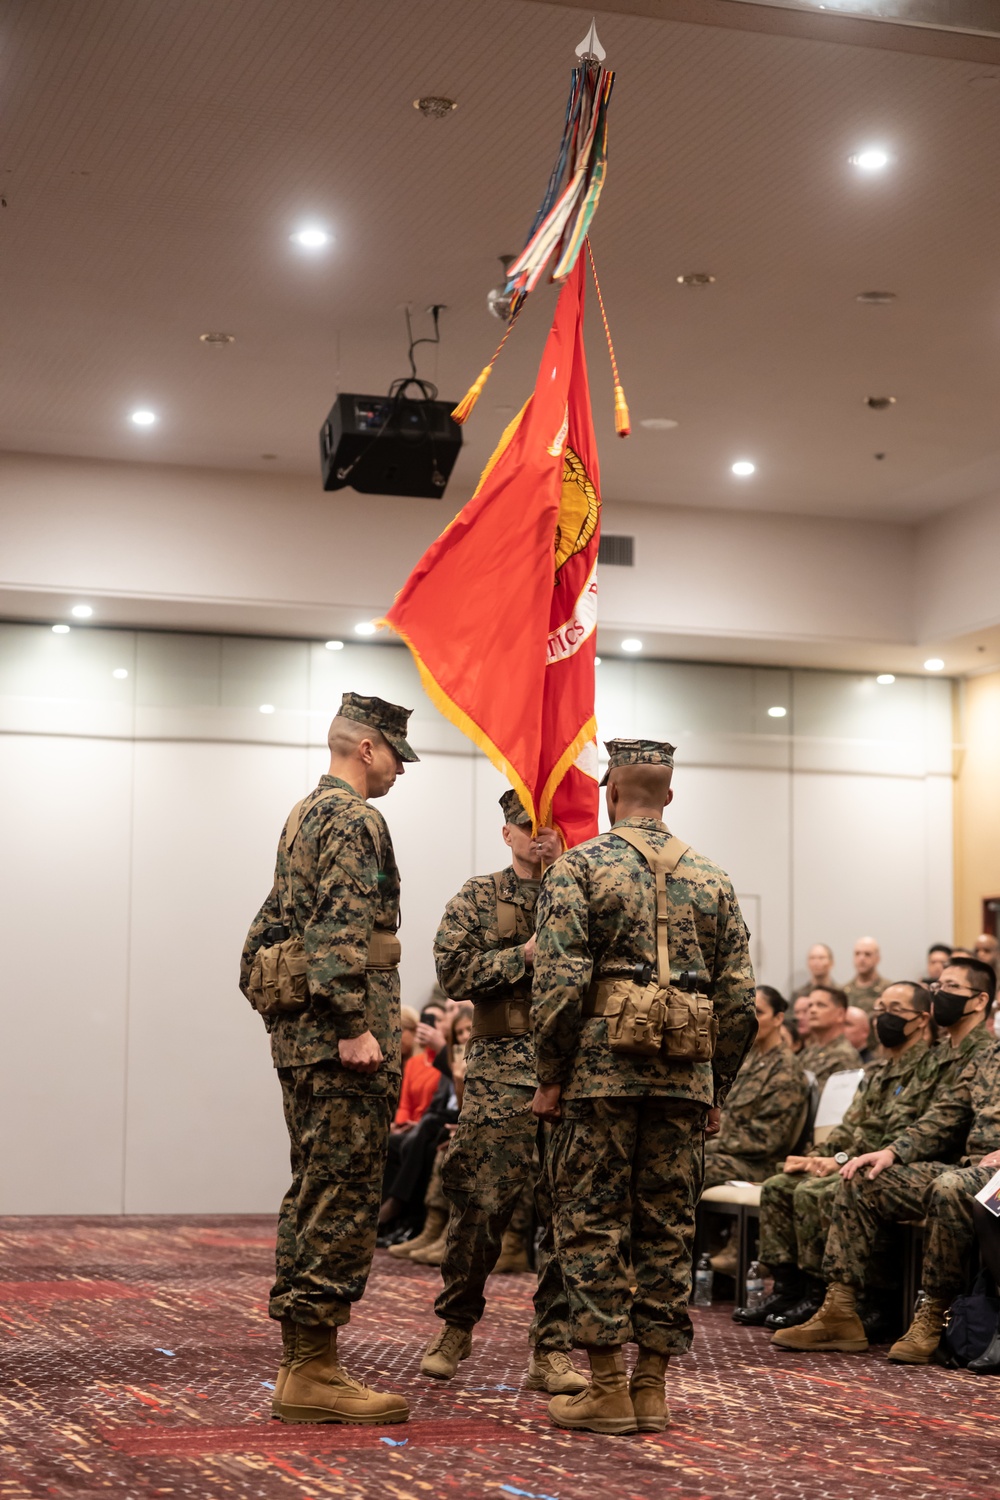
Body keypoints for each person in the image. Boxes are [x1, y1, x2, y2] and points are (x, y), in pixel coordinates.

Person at [531, 738, 757, 1436]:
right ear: (669, 793)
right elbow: (742, 1003)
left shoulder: (579, 869)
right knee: (668, 1227)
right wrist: (714, 1087)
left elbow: (561, 984)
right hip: (686, 1081)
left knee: (593, 1221)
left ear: (609, 792)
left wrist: (549, 1075)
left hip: (600, 1080)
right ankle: (651, 1388)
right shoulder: (714, 878)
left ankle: (605, 1388)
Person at [239, 692, 418, 1425]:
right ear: (368, 749)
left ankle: (302, 1364)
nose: (399, 775)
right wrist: (353, 1024)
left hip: (301, 1038)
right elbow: (341, 928)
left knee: (315, 1186)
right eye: (396, 759)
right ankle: (312, 1370)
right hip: (337, 1039)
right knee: (342, 1191)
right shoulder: (352, 818)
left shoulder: (301, 815)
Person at [419, 790, 585, 1398]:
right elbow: (455, 973)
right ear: (506, 834)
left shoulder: (583, 892)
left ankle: (554, 1347)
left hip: (575, 1071)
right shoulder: (478, 896)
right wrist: (526, 954)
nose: (536, 837)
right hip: (500, 1071)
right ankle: (455, 1326)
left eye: (547, 828)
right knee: (481, 1206)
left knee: (572, 1213)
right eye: (524, 827)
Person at [770, 956, 996, 1361]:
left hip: (981, 1172)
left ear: (979, 1001)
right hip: (965, 1164)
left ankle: (934, 1313)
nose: (937, 994)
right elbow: (943, 1116)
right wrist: (891, 1153)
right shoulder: (948, 1053)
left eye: (949, 988)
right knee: (862, 1177)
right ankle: (840, 1310)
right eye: (936, 985)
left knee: (948, 1188)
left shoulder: (990, 1052)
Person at [738, 983, 937, 1334]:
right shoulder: (878, 1071)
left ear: (921, 1020)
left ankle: (858, 1299)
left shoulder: (930, 1069)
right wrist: (818, 1157)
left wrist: (842, 1160)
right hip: (852, 1159)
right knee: (780, 1185)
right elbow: (849, 1128)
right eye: (879, 1007)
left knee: (817, 1191)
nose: (882, 1017)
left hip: (892, 1165)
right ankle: (791, 1289)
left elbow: (906, 1135)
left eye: (893, 1009)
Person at [703, 986, 807, 1187]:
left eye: (758, 1012)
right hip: (728, 1153)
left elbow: (768, 1138)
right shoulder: (747, 1060)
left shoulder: (785, 1069)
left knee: (695, 1164)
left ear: (778, 1019)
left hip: (759, 1164)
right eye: (748, 1012)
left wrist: (711, 1144)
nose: (751, 1019)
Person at [800, 987, 862, 1087]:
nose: (812, 1010)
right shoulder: (808, 1053)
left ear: (840, 1014)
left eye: (821, 1005)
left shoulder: (844, 1056)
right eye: (810, 1006)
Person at [842, 937, 889, 1014]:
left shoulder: (887, 990)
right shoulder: (843, 991)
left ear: (877, 958)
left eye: (867, 954)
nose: (861, 958)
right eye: (857, 954)